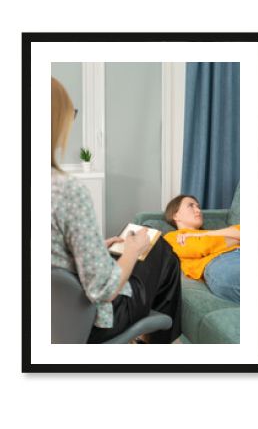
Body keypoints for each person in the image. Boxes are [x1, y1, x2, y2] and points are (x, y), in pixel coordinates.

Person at [51, 77, 181, 344]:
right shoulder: (66, 190)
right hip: (89, 323)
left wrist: (96, 246)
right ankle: (159, 342)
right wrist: (133, 250)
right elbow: (104, 290)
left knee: (140, 248)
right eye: (70, 115)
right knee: (161, 248)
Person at [163, 194, 240, 304]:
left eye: (198, 206)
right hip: (220, 262)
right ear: (176, 215)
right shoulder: (172, 237)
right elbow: (202, 247)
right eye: (191, 206)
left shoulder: (209, 233)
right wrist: (237, 238)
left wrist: (208, 233)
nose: (198, 210)